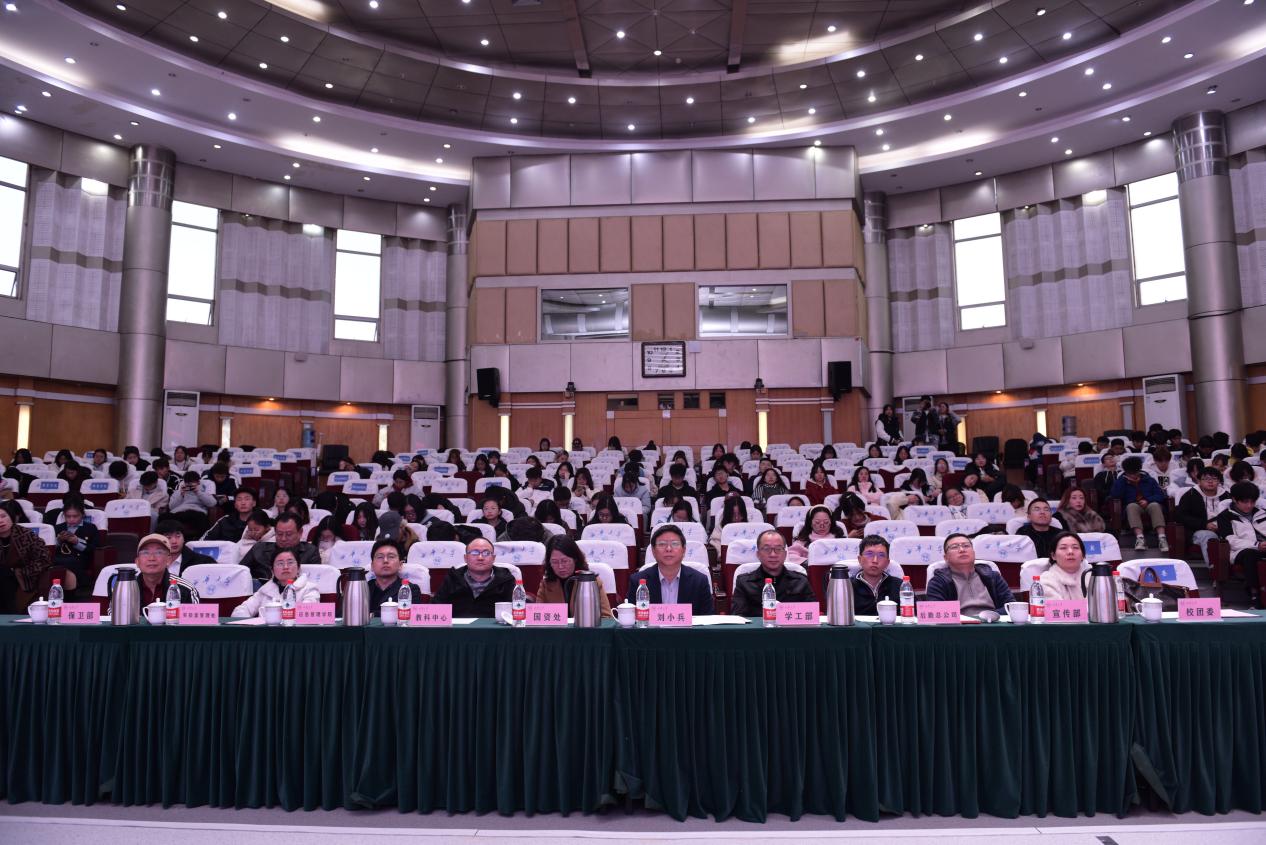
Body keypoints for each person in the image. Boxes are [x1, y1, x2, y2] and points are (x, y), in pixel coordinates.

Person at [625, 524, 714, 614]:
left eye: (675, 544)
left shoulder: (699, 581)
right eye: (662, 544)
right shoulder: (637, 581)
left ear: (684, 550)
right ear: (653, 551)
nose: (668, 549)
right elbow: (631, 617)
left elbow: (708, 619)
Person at [729, 529, 815, 616]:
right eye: (767, 549)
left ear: (785, 554)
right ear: (758, 554)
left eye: (778, 549)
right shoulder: (744, 583)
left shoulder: (800, 581)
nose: (773, 555)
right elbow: (738, 617)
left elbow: (811, 614)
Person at [924, 533, 1014, 615]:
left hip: (993, 623)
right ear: (946, 557)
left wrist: (988, 616)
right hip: (959, 625)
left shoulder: (993, 577)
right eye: (954, 547)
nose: (962, 550)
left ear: (974, 553)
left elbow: (1011, 606)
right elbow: (937, 613)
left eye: (966, 546)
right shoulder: (938, 581)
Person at [429, 537, 517, 617]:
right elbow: (435, 609)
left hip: (495, 629)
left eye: (486, 553)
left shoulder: (506, 579)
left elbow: (519, 608)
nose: (480, 558)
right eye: (475, 553)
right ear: (465, 558)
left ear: (493, 558)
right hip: (458, 628)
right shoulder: (453, 578)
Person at [534, 535, 613, 617]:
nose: (560, 566)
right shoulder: (546, 584)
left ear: (575, 559)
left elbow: (606, 617)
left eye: (564, 561)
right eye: (555, 562)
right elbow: (537, 617)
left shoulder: (592, 582)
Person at [230, 547, 321, 618]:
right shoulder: (265, 590)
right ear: (272, 570)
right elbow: (240, 611)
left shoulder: (309, 589)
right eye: (280, 563)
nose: (285, 567)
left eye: (290, 562)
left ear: (298, 568)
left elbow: (308, 614)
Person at [1216, 481, 1266, 607]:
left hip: (1263, 547)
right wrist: (1256, 545)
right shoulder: (1225, 516)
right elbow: (1230, 540)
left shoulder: (1263, 513)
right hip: (1240, 551)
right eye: (1245, 502)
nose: (1249, 505)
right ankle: (1255, 597)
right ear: (1234, 499)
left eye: (1252, 502)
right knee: (1250, 555)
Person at [0, 499, 51, 612]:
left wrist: (21, 571)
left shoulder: (26, 535)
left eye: (3, 516)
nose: (0, 521)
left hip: (26, 578)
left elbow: (45, 558)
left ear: (11, 517)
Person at [1110, 455, 1169, 552]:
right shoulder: (1121, 481)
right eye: (1130, 473)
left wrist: (1148, 500)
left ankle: (1162, 538)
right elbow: (1115, 495)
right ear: (1126, 472)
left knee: (1155, 505)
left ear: (1139, 470)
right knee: (1131, 506)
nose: (1133, 475)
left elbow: (1160, 495)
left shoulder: (1149, 480)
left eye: (1135, 472)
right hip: (1134, 505)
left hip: (1149, 503)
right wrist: (1123, 482)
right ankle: (1140, 539)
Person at [239, 512, 321, 581]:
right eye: (279, 534)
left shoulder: (310, 552)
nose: (283, 539)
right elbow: (240, 572)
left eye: (289, 534)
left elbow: (315, 580)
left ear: (300, 532)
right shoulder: (259, 549)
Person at [1176, 467, 1226, 567]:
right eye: (1206, 479)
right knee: (1207, 536)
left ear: (1219, 481)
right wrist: (1204, 525)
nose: (1210, 481)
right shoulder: (1190, 495)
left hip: (1224, 529)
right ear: (1199, 481)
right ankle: (1215, 569)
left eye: (1214, 478)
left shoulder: (1226, 496)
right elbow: (1181, 517)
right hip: (1198, 530)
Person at [133, 533, 200, 606]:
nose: (151, 558)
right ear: (137, 562)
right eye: (145, 553)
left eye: (159, 552)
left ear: (168, 560)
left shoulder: (186, 590)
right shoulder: (127, 588)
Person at [365, 539, 424, 617]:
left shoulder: (411, 590)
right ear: (372, 566)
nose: (385, 561)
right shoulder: (363, 589)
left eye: (391, 557)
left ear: (400, 565)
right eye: (380, 557)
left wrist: (372, 615)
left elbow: (411, 614)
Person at [52, 500, 99, 592]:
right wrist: (59, 540)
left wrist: (77, 542)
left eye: (75, 516)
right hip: (60, 557)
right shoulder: (57, 528)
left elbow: (94, 548)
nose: (71, 519)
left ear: (82, 515)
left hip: (81, 559)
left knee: (70, 562)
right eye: (68, 516)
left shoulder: (90, 528)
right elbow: (51, 548)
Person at [851, 535, 902, 615]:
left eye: (881, 555)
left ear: (887, 563)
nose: (875, 560)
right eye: (869, 554)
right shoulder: (847, 586)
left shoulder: (900, 586)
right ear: (859, 559)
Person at [1038, 532, 1088, 601]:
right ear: (1053, 556)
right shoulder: (1046, 580)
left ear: (1083, 555)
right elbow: (1056, 607)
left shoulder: (1093, 576)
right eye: (1063, 548)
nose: (1070, 552)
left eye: (1075, 547)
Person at [168, 470, 217, 537]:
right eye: (188, 484)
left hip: (196, 512)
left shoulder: (203, 491)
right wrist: (181, 495)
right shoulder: (179, 492)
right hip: (179, 512)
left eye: (192, 484)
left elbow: (212, 503)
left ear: (198, 482)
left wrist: (198, 492)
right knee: (164, 517)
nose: (190, 487)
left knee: (201, 518)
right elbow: (171, 507)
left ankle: (202, 539)